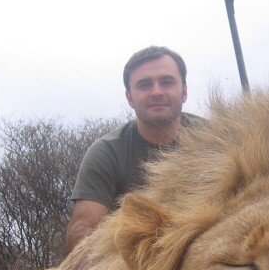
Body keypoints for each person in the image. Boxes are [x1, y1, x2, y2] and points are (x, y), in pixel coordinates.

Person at [66, 46, 199, 252]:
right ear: (129, 98)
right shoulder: (106, 152)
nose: (157, 92)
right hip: (139, 262)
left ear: (184, 91)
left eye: (166, 82)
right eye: (145, 85)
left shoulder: (218, 137)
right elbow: (83, 229)